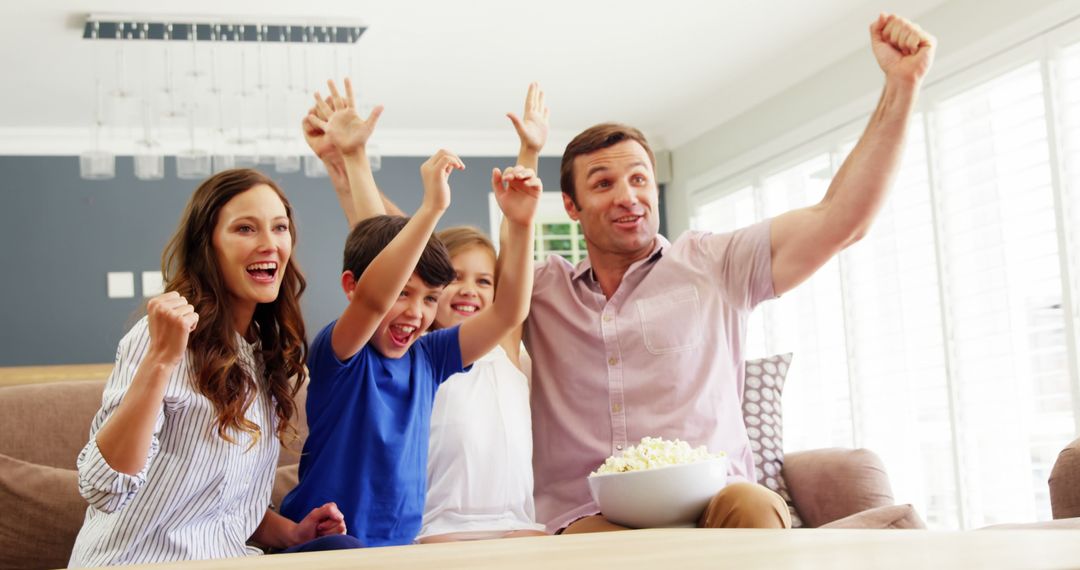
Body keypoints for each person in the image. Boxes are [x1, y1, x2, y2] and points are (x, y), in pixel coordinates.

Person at [523, 13, 937, 534]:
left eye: (638, 179)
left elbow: (840, 221)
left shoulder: (714, 262)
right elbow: (421, 278)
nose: (627, 196)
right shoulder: (540, 289)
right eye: (603, 183)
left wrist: (901, 86)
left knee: (755, 504)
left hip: (713, 503)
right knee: (590, 549)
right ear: (572, 206)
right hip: (589, 515)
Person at [279, 84, 541, 546]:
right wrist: (430, 206)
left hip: (401, 545)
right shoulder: (342, 353)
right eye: (406, 293)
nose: (416, 312)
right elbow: (375, 291)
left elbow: (508, 310)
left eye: (429, 298)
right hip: (330, 539)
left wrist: (519, 223)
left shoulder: (432, 359)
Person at [69, 169, 363, 567]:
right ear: (208, 246)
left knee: (345, 552)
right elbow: (104, 488)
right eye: (245, 228)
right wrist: (160, 360)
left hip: (227, 558)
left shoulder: (260, 356)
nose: (269, 244)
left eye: (279, 228)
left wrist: (293, 533)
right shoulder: (163, 338)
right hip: (139, 561)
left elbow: (222, 505)